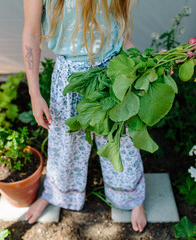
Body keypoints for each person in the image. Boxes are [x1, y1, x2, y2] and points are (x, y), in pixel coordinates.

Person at [22, 0, 147, 232]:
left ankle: (132, 197)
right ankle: (56, 193)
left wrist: (147, 65)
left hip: (111, 72)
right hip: (69, 77)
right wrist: (34, 93)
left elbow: (123, 38)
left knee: (120, 141)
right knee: (64, 142)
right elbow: (31, 33)